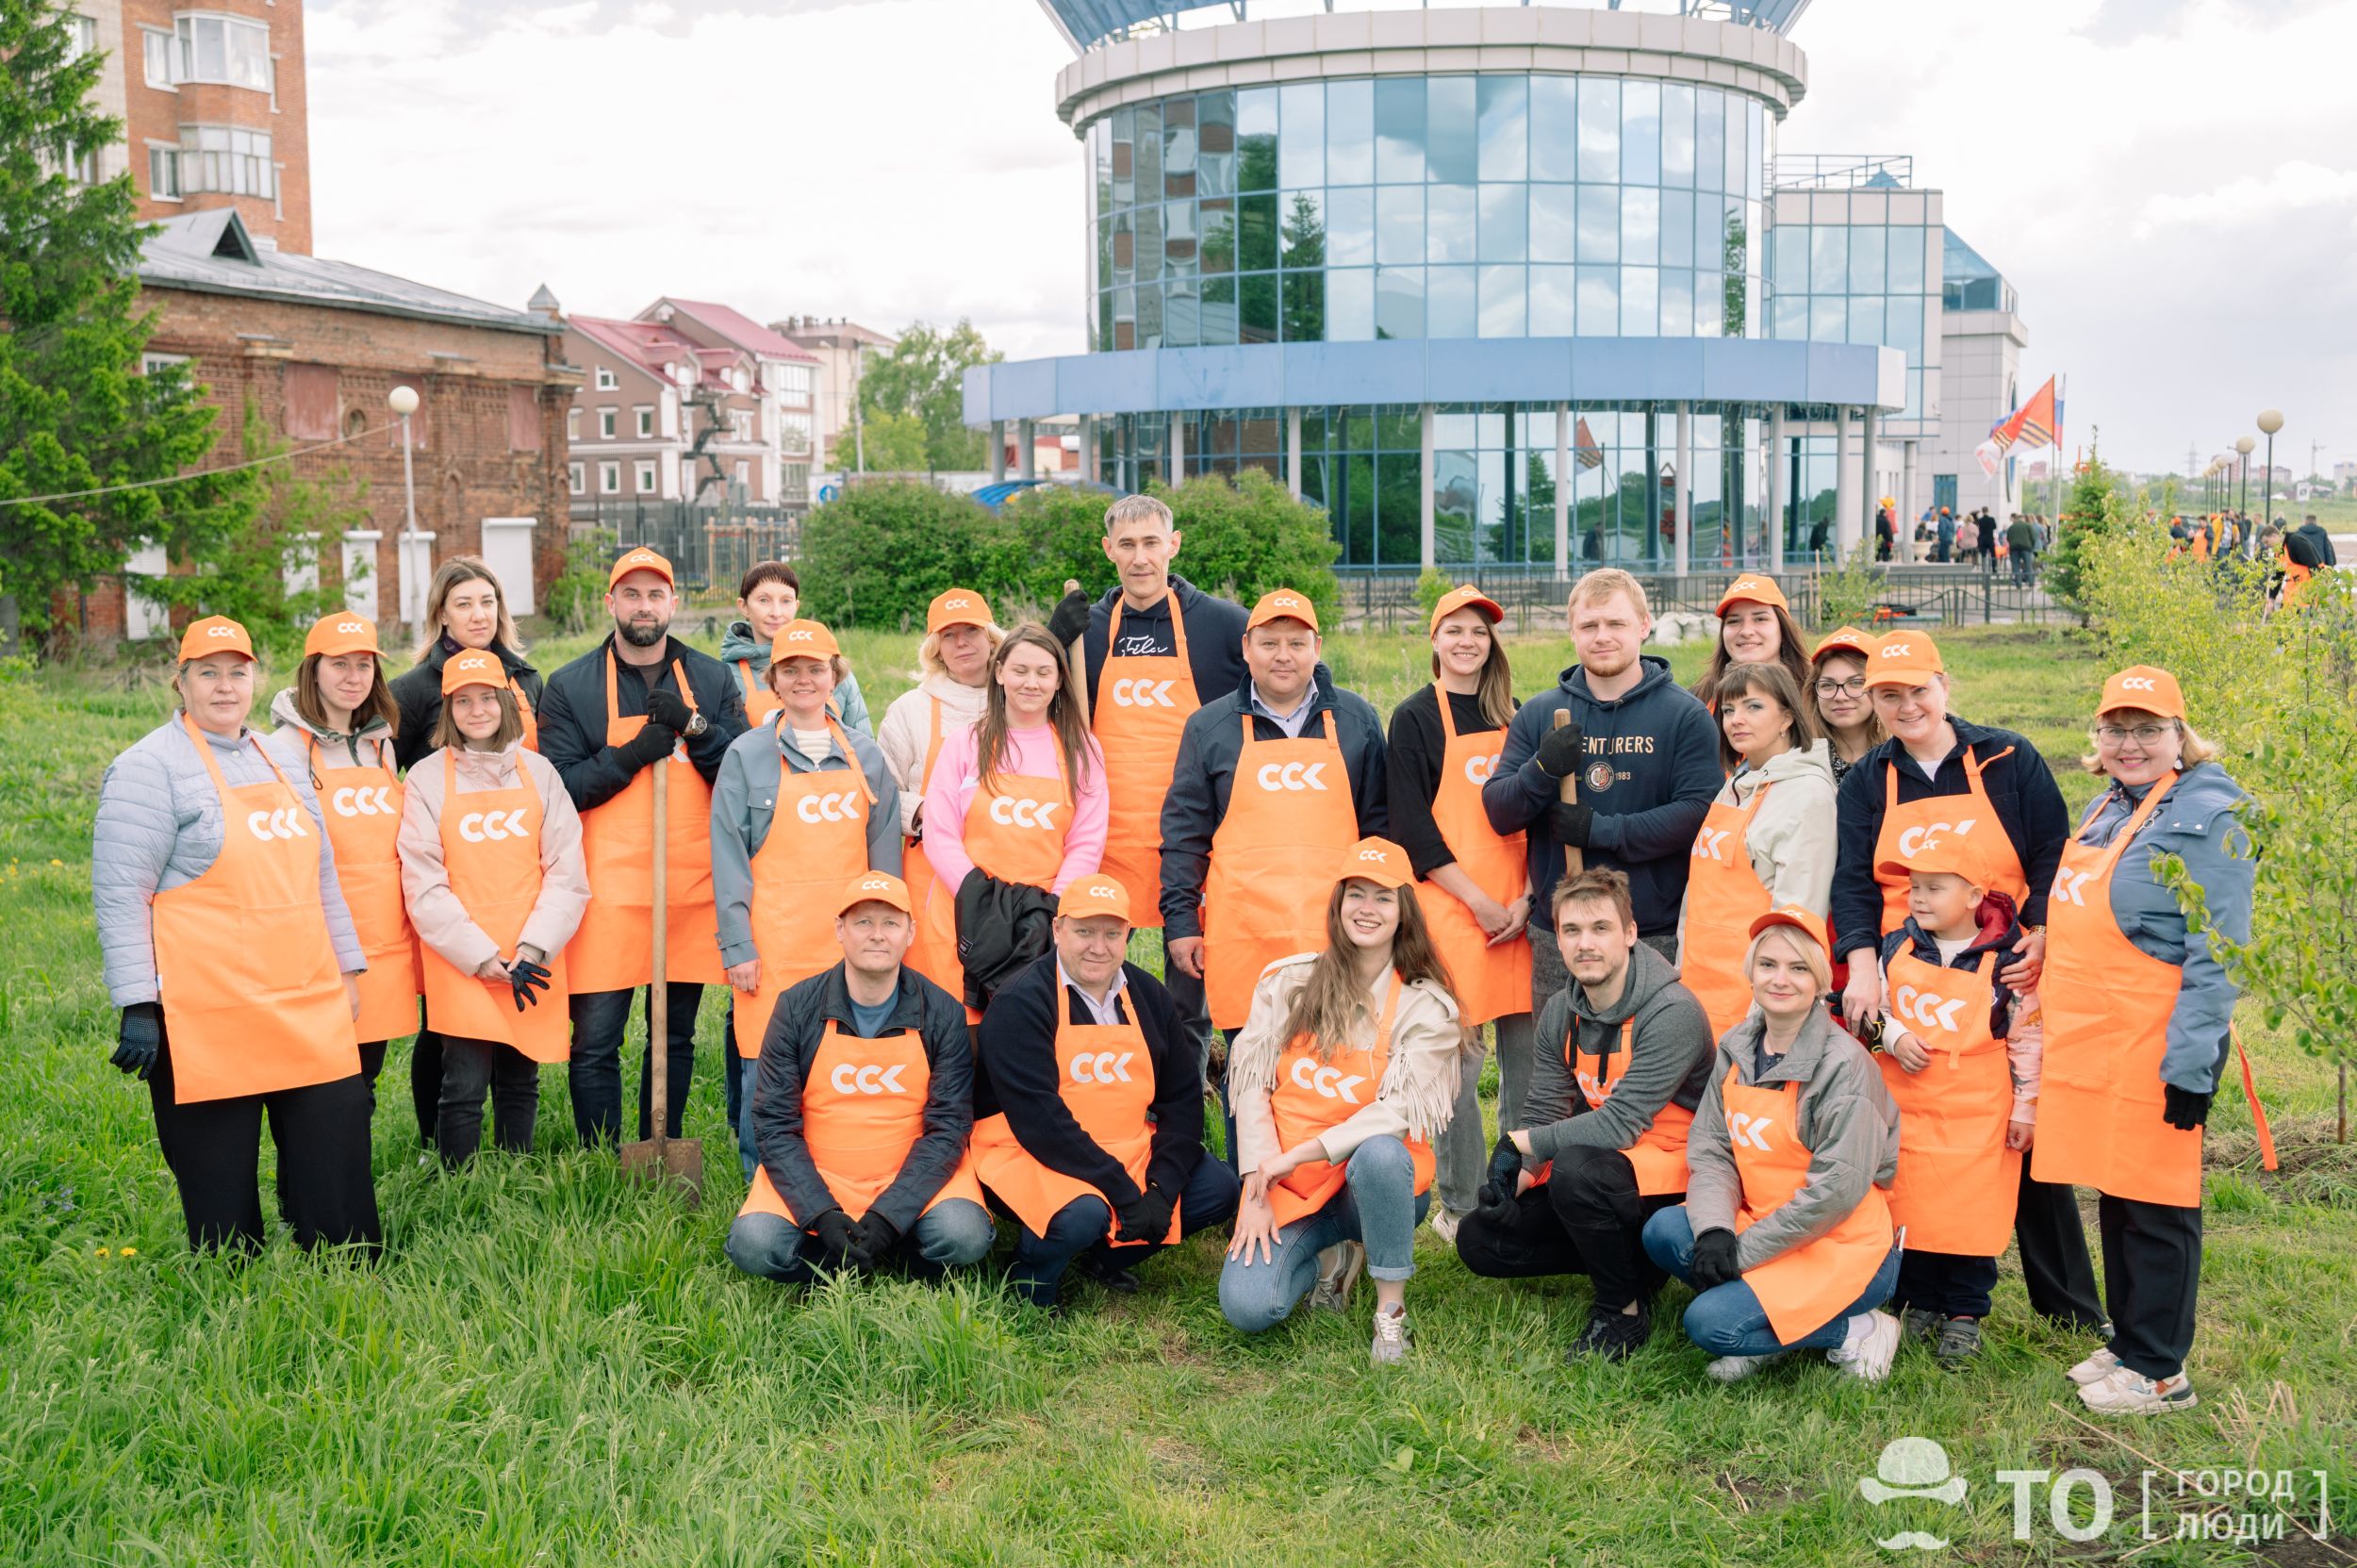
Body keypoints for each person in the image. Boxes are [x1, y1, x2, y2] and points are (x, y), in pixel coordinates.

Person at [1830, 629, 2105, 1332]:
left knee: (2020, 1132)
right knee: (1911, 1131)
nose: (1907, 706)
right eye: (1889, 695)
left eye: (1918, 690)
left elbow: (2052, 851)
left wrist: (2041, 930)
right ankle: (1915, 1289)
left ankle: (2068, 1304)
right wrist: (1862, 964)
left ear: (1945, 685)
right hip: (1910, 969)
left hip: (2005, 964)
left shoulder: (2007, 759)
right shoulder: (1867, 780)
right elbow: (1853, 880)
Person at [92, 616, 378, 1254]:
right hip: (210, 1009)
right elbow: (121, 894)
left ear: (256, 679)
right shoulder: (147, 768)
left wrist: (348, 968)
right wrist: (138, 1003)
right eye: (208, 673)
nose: (225, 687)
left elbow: (322, 873)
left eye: (237, 673)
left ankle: (344, 1270)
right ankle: (231, 1287)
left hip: (305, 997)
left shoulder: (282, 758)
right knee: (220, 1197)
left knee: (335, 1158)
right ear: (181, 681)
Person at [2035, 667, 2258, 1414]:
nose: (2130, 744)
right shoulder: (2110, 804)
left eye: (2149, 729)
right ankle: (2131, 1341)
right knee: (2117, 1190)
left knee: (2158, 1201)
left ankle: (2162, 1370)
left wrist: (2191, 1065)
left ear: (2179, 735)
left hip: (2162, 1040)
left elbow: (2219, 951)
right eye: (2117, 729)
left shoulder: (2211, 814)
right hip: (2099, 1035)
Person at [1218, 840, 1463, 1363]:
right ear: (1338, 903)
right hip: (1290, 1184)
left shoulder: (1427, 1007)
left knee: (1380, 1152)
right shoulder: (1287, 982)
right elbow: (1252, 1084)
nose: (1367, 909)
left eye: (1383, 897)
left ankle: (1390, 1312)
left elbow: (1395, 1113)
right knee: (1248, 1307)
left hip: (1370, 1183)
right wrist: (1257, 1184)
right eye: (1356, 894)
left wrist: (1300, 1154)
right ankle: (1330, 1260)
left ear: (1403, 912)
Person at [1455, 868, 1714, 1361]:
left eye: (1601, 928)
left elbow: (1618, 1124)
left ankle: (1623, 1311)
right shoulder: (1561, 1011)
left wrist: (1520, 1143)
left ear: (1630, 933)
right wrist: (1520, 1181)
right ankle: (1634, 1267)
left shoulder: (1672, 1010)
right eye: (1571, 930)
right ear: (1558, 939)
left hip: (1678, 1180)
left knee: (1575, 1168)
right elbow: (1544, 1108)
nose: (1585, 943)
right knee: (1480, 1239)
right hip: (1611, 1171)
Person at [538, 546, 749, 1146]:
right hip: (605, 892)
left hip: (685, 889)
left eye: (655, 594)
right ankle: (600, 1156)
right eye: (631, 594)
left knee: (673, 1035)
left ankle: (663, 1138)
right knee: (596, 1038)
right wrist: (630, 755)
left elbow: (742, 775)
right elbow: (561, 788)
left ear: (673, 603)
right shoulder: (570, 685)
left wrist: (695, 727)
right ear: (611, 602)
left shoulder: (711, 679)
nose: (644, 606)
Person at [1640, 907, 1904, 1382]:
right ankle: (1767, 1318)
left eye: (1798, 968)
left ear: (1820, 980)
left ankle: (1860, 1329)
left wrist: (1739, 1254)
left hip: (1838, 1244)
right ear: (1751, 972)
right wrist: (1716, 1232)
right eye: (1768, 964)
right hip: (1762, 1218)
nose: (1780, 979)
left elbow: (1833, 1195)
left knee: (1710, 1324)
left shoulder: (1845, 1068)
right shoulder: (1738, 1045)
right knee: (1664, 1230)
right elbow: (1712, 1149)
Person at [1046, 494, 1252, 1091]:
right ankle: (1097, 1076)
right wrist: (1054, 642)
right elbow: (1034, 700)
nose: (1140, 558)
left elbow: (1291, 677)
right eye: (1127, 545)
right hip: (1106, 833)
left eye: (1151, 543)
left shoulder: (1222, 625)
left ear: (1174, 545)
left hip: (1196, 831)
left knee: (1190, 971)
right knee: (1091, 961)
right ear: (1108, 550)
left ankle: (1185, 1085)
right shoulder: (1086, 630)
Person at [972, 874, 1241, 1310]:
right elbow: (1042, 1123)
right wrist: (1125, 1193)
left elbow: (1182, 1101)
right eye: (1084, 932)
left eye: (1112, 934)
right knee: (1082, 1213)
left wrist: (1160, 1190)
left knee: (1218, 1188)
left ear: (1128, 936)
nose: (1098, 947)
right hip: (1028, 1149)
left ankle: (1104, 1255)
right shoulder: (1021, 1001)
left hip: (1124, 1144)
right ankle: (1031, 1277)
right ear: (1058, 930)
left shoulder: (1149, 996)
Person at [724, 871, 995, 1284]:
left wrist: (889, 1216)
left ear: (910, 933)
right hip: (821, 1172)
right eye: (863, 922)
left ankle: (880, 1243)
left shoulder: (942, 1012)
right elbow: (774, 1124)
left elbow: (949, 1126)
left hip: (911, 1174)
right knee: (753, 1244)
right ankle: (844, 1250)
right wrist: (822, 1214)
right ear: (839, 929)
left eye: (891, 923)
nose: (877, 935)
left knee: (965, 1235)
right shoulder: (796, 1008)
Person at [712, 619, 900, 1173]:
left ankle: (838, 1165)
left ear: (834, 677)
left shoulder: (867, 756)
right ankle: (763, 1177)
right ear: (773, 679)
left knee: (845, 1058)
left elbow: (885, 863)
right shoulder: (746, 755)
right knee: (765, 1062)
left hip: (852, 945)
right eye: (790, 670)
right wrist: (738, 945)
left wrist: (888, 940)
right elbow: (728, 857)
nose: (803, 680)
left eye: (815, 669)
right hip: (774, 943)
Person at [1483, 569, 1720, 1008]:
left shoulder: (1685, 716)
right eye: (1589, 625)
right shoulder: (1540, 713)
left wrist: (1601, 830)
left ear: (1644, 626)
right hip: (1562, 933)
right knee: (1559, 1050)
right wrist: (1542, 769)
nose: (1602, 636)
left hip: (1650, 932)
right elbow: (1500, 812)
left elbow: (1698, 814)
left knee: (1649, 1048)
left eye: (1616, 623)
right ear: (1572, 631)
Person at [1161, 588, 1389, 1043]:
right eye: (1269, 643)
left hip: (1338, 931)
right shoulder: (1208, 727)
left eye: (1296, 643)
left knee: (1336, 1063)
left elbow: (1379, 832)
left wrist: (1381, 918)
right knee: (1251, 1066)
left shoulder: (1356, 720)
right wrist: (1182, 922)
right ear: (1246, 648)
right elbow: (1184, 836)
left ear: (1316, 648)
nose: (1283, 656)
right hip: (1244, 931)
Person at [399, 650, 589, 1165]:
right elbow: (423, 881)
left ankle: (515, 1175)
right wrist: (478, 955)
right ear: (448, 709)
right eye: (463, 701)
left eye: (487, 697)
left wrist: (535, 947)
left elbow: (567, 870)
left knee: (520, 1075)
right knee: (462, 1080)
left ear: (506, 702)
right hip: (460, 958)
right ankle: (459, 1186)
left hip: (531, 954)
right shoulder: (425, 779)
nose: (477, 710)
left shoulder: (540, 772)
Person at [1386, 585, 1533, 1241]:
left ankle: (1521, 1193)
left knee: (1528, 1064)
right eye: (1455, 630)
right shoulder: (1415, 717)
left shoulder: (1517, 715)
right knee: (1458, 1067)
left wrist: (1525, 899)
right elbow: (1412, 826)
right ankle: (1464, 1205)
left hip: (1519, 912)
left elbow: (1538, 813)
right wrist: (1478, 901)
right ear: (1435, 639)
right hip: (1453, 911)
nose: (1468, 641)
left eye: (1479, 631)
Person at [389, 556, 545, 1149]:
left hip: (515, 871)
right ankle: (435, 1140)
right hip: (450, 878)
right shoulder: (412, 690)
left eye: (487, 602)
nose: (478, 615)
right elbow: (387, 775)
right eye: (463, 604)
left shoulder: (526, 678)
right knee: (446, 1026)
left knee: (512, 1016)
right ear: (441, 614)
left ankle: (511, 1140)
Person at [1870, 828, 2042, 1363]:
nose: (1918, 898)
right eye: (1914, 887)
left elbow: (2028, 1037)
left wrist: (2026, 1108)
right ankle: (1918, 1300)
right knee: (1909, 1205)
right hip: (1903, 1107)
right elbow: (1869, 1012)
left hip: (1977, 1113)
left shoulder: (2009, 959)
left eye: (1934, 887)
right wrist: (1891, 1037)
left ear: (1973, 896)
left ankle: (1965, 1312)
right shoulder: (1896, 946)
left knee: (1970, 1213)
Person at [266, 612, 415, 1104]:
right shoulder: (281, 750)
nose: (354, 677)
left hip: (383, 941)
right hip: (323, 940)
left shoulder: (381, 745)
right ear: (313, 670)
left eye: (364, 665)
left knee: (366, 1077)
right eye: (340, 665)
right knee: (325, 1083)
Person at [921, 624, 1108, 1012]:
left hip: (1041, 924)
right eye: (1020, 670)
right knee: (961, 1036)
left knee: (1030, 1031)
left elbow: (1087, 842)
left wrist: (1050, 909)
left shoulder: (1082, 750)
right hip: (965, 915)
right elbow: (940, 834)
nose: (1031, 683)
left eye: (1044, 672)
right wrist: (980, 900)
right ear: (1000, 672)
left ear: (1059, 681)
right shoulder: (964, 743)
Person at [1675, 662, 1836, 1044]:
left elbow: (1799, 914)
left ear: (1787, 717)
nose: (1736, 720)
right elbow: (1696, 897)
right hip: (1697, 987)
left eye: (1754, 707)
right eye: (1729, 710)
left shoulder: (1807, 794)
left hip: (1751, 1002)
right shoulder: (1735, 785)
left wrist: (1764, 1019)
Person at [877, 588, 1003, 989]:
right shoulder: (910, 710)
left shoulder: (1018, 701)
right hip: (929, 874)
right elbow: (882, 792)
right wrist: (923, 813)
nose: (961, 642)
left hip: (1005, 870)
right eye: (949, 635)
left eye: (971, 631)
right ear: (936, 648)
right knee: (935, 986)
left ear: (992, 638)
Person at [717, 561, 870, 734]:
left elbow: (861, 744)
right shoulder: (726, 678)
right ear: (744, 606)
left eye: (786, 601)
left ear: (796, 606)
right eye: (764, 600)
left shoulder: (832, 668)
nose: (776, 613)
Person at [1689, 575, 1813, 708]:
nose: (1746, 632)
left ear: (1783, 629)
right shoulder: (1696, 701)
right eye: (1734, 621)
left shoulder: (1817, 693)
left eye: (1760, 619)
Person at [1806, 627, 1885, 787]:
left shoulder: (1905, 755)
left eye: (1856, 683)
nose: (1840, 697)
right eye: (1828, 685)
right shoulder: (1801, 761)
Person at [2006, 512, 2038, 586]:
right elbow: (2033, 538)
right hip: (2026, 548)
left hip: (2014, 548)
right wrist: (2031, 546)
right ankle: (2030, 583)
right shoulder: (2028, 526)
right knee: (2028, 565)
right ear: (2023, 519)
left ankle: (2018, 584)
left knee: (2016, 566)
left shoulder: (2011, 527)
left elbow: (2008, 538)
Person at [1975, 508, 1999, 572]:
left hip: (1982, 539)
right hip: (1990, 539)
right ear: (1988, 511)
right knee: (1993, 554)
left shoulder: (1980, 520)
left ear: (1982, 512)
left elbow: (1978, 527)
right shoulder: (1991, 519)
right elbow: (1994, 527)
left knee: (1983, 555)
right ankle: (1994, 568)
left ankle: (1984, 569)